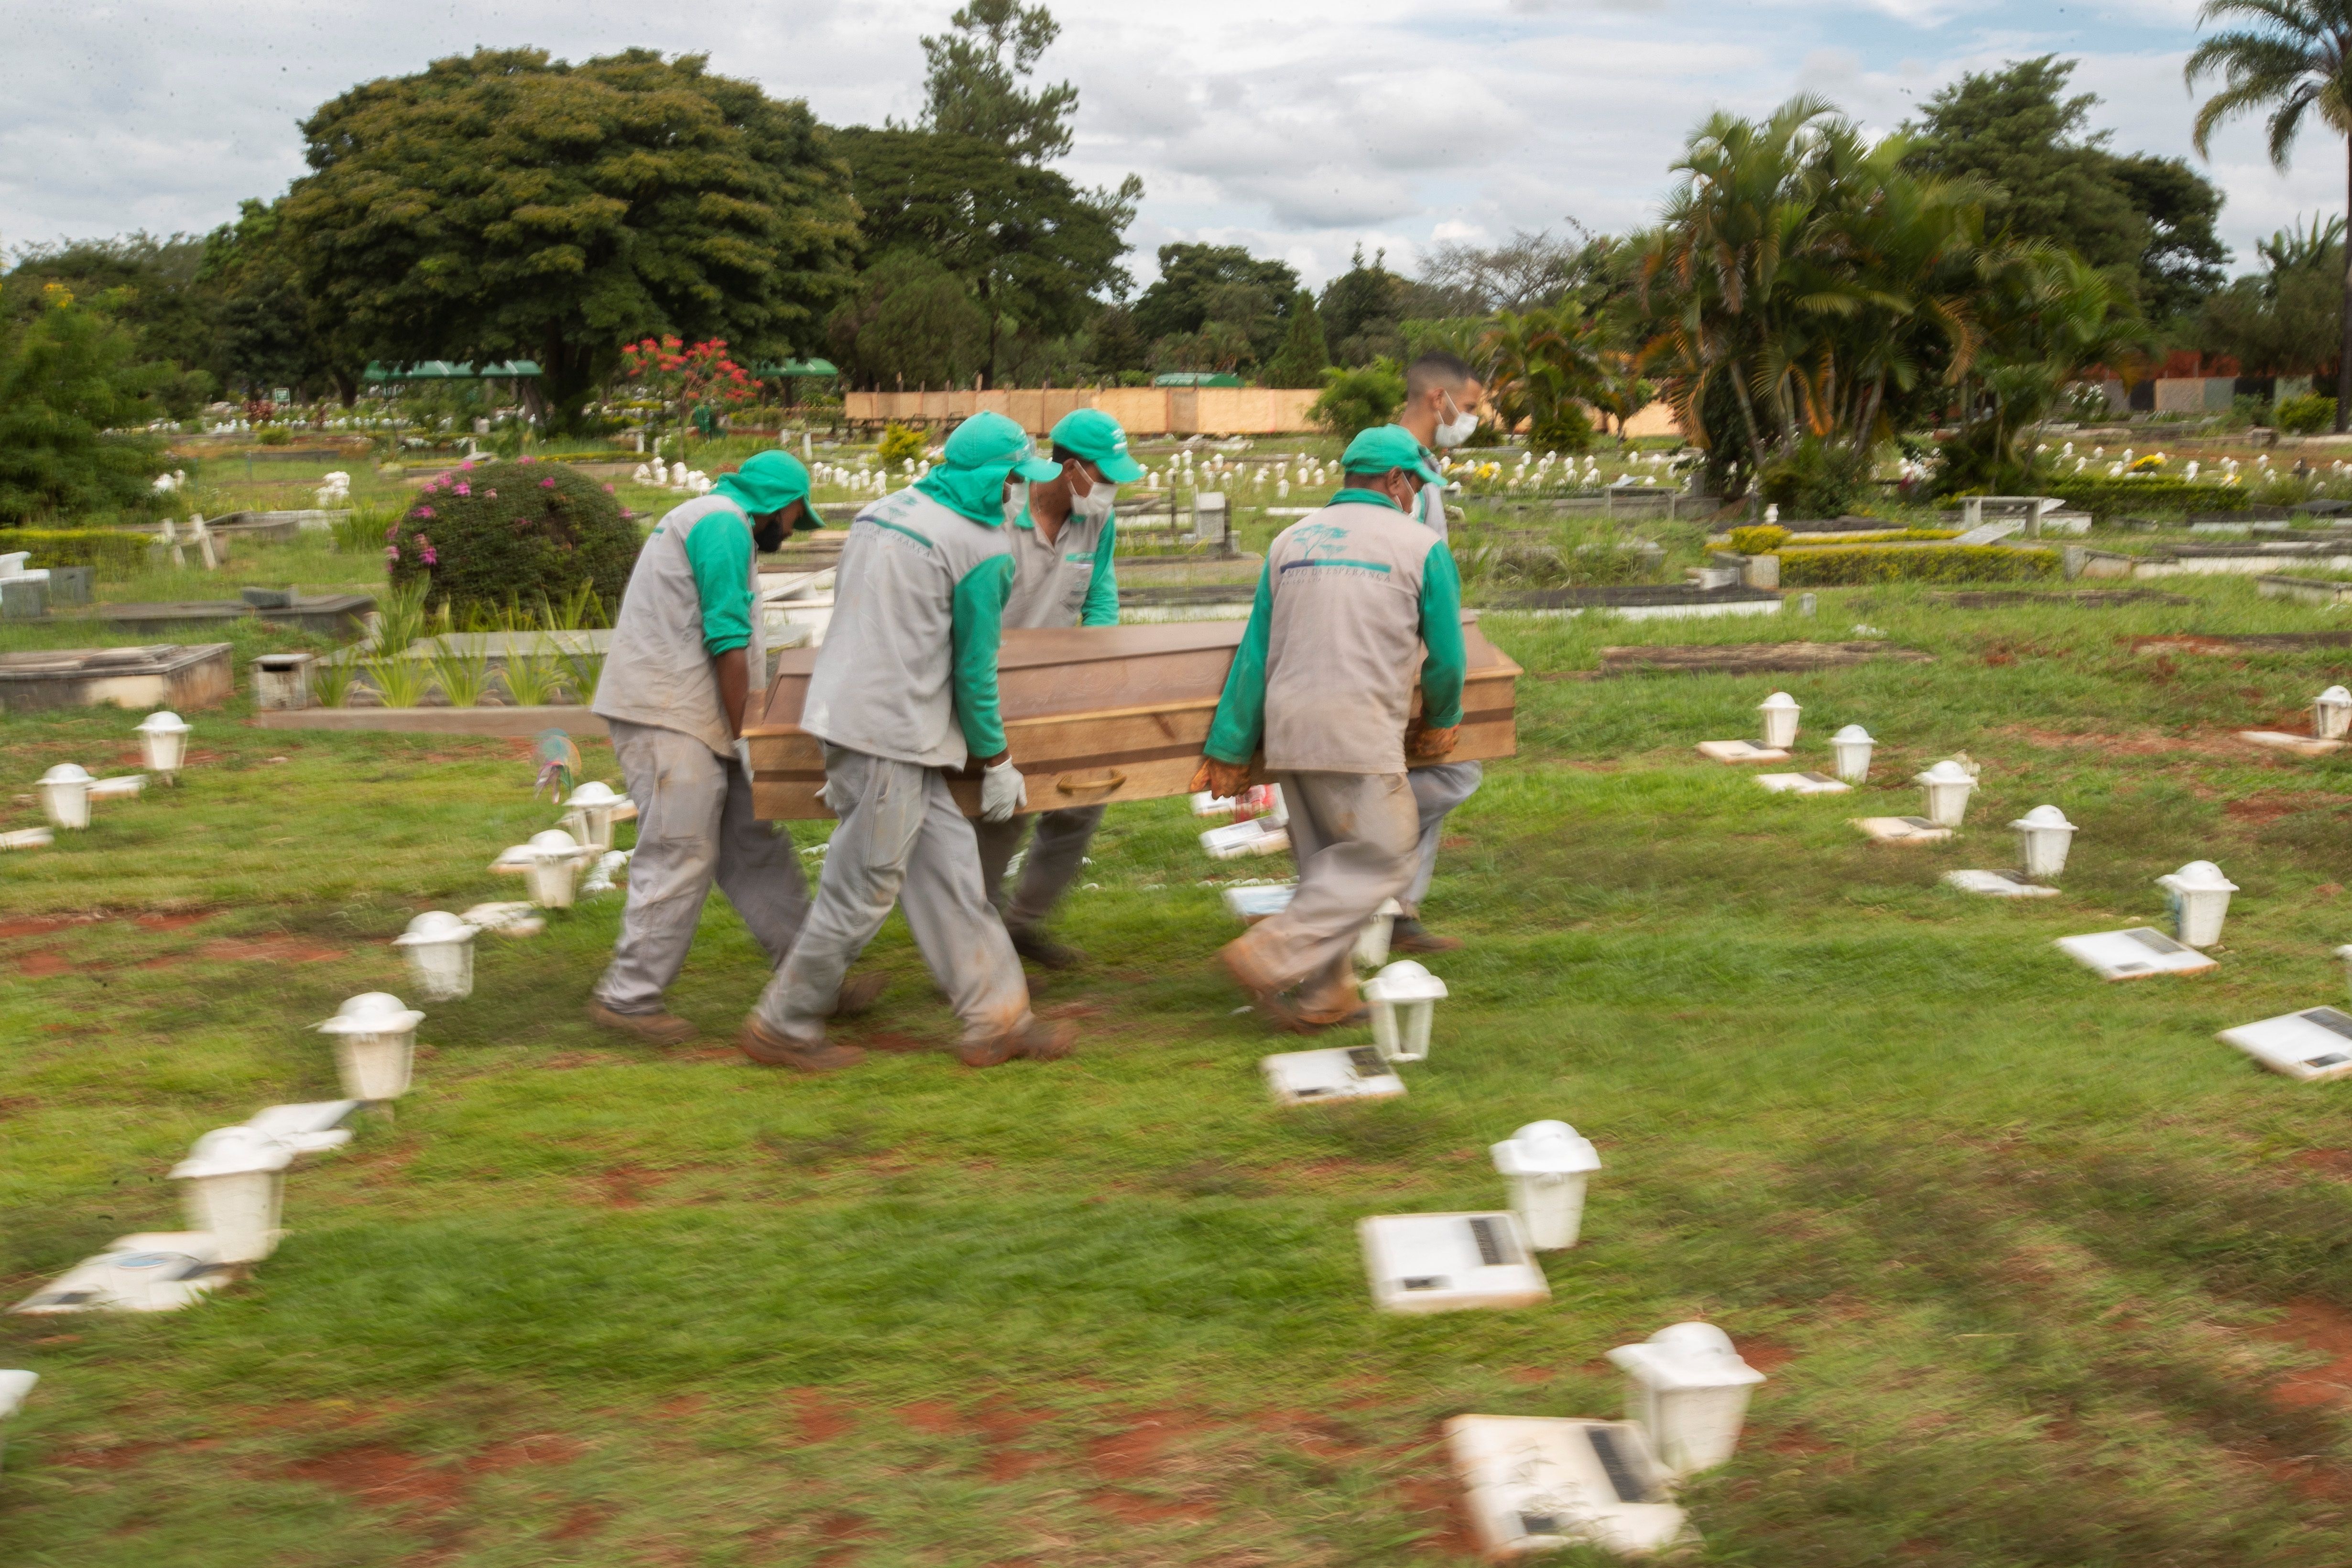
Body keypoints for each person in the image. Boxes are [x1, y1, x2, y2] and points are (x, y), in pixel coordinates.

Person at [742, 411, 1079, 1071]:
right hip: (892, 734)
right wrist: (998, 762)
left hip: (858, 716)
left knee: (954, 880)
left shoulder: (881, 513)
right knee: (860, 891)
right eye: (1013, 479)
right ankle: (783, 1024)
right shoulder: (981, 549)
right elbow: (974, 672)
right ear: (987, 477)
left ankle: (998, 1020)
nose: (1018, 493)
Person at [1192, 425, 1466, 1030]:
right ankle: (1271, 952)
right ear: (1395, 480)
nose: (1418, 495)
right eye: (1416, 483)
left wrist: (1230, 746)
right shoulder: (1421, 546)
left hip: (1291, 730)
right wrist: (1442, 720)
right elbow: (1447, 656)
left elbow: (1255, 651)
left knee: (1324, 871)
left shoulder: (1290, 541)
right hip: (1360, 727)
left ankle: (1325, 995)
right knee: (1386, 858)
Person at [589, 450, 866, 1044]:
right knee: (680, 849)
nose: (792, 530)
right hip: (667, 715)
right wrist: (749, 733)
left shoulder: (717, 521)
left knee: (754, 845)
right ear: (776, 504)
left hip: (692, 711)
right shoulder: (720, 523)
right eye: (795, 516)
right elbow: (727, 639)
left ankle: (812, 981)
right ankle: (629, 998)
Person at [971, 407, 1143, 969]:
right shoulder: (998, 515)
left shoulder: (1097, 521)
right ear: (1069, 466)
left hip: (1062, 682)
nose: (1112, 488)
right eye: (1106, 474)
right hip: (992, 682)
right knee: (1005, 811)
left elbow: (1100, 596)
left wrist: (1097, 670)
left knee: (1081, 800)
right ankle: (979, 937)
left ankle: (1023, 926)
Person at [1387, 350, 1490, 954]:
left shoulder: (1421, 464)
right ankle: (1368, 872)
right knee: (1448, 770)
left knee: (1436, 767)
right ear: (1438, 400)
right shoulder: (1401, 470)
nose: (1470, 419)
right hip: (1397, 650)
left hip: (1416, 644)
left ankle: (1398, 907)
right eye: (1469, 407)